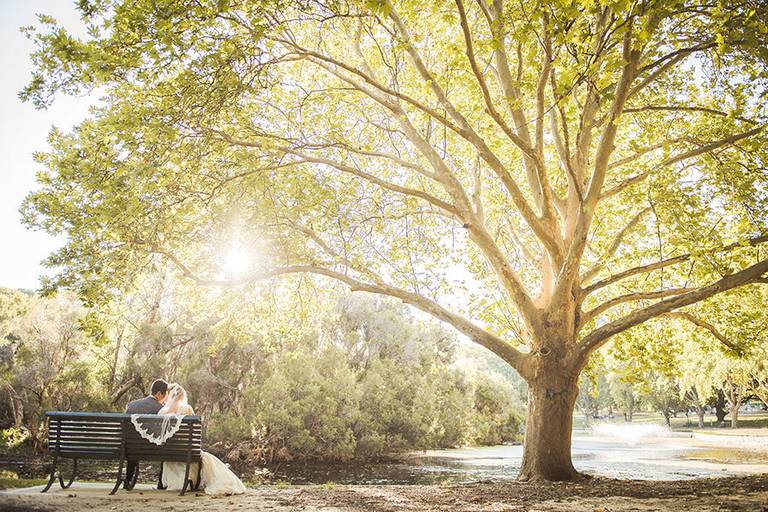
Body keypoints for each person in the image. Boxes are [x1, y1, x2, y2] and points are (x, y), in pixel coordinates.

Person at [158, 383, 246, 495]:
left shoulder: (162, 412)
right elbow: (195, 431)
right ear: (182, 396)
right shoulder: (186, 408)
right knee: (209, 459)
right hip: (186, 451)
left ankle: (179, 483)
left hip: (167, 452)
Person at [124, 379, 169, 488]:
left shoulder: (132, 405)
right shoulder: (162, 409)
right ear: (159, 393)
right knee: (165, 446)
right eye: (165, 395)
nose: (166, 398)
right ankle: (161, 483)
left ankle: (128, 480)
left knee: (133, 444)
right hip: (154, 450)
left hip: (130, 448)